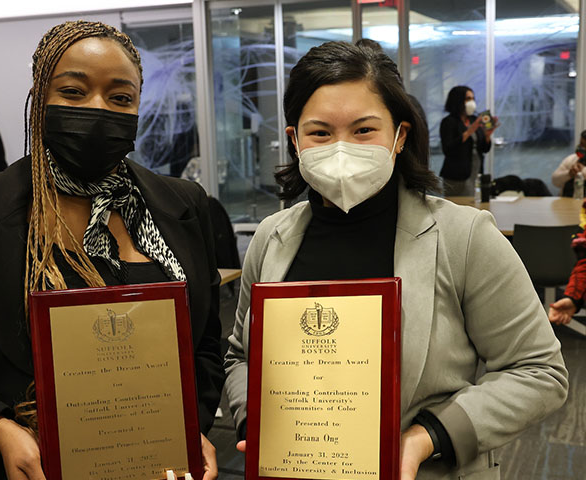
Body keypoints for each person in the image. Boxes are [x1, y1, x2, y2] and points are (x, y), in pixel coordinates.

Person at [0, 21, 223, 480]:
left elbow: (205, 348)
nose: (98, 109)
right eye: (74, 92)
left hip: (154, 466)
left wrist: (186, 427)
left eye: (120, 98)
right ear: (39, 98)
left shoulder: (183, 204)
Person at [223, 40, 567, 480]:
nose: (342, 148)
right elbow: (240, 356)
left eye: (364, 130)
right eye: (320, 133)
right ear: (294, 141)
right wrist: (259, 418)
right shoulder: (272, 238)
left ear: (399, 136)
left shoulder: (464, 238)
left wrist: (428, 437)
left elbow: (539, 371)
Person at [438, 86, 496, 196]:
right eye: (468, 99)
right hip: (457, 174)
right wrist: (469, 132)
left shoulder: (474, 120)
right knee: (457, 206)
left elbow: (484, 149)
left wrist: (487, 136)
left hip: (475, 171)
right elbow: (448, 149)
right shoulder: (449, 122)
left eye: (473, 98)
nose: (471, 102)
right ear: (458, 100)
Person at [550, 129, 586, 196]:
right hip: (566, 201)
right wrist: (569, 174)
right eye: (581, 144)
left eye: (585, 145)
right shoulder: (572, 159)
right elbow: (554, 181)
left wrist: (582, 170)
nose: (581, 148)